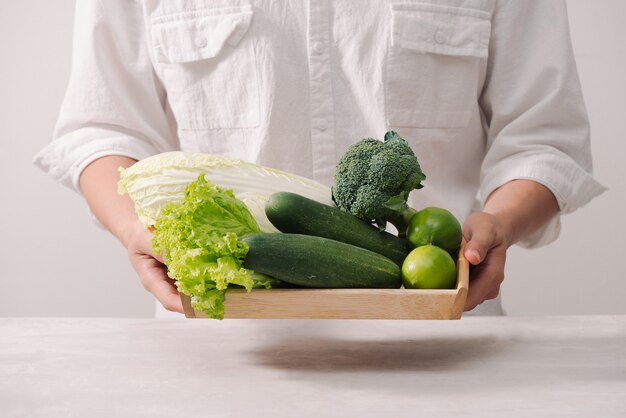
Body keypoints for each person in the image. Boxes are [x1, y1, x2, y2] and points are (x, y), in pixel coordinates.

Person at [34, 0, 605, 316]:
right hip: (216, 354)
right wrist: (137, 228)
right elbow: (103, 127)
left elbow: (543, 139)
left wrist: (500, 223)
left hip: (441, 345)